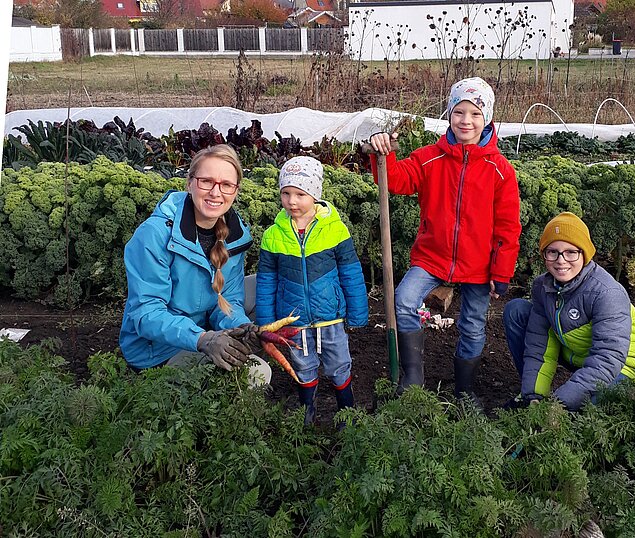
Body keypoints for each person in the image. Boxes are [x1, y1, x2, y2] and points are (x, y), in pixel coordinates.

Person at [369, 77, 521, 403]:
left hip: (479, 265)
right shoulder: (429, 158)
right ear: (449, 114)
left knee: (473, 325)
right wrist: (383, 153)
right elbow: (395, 181)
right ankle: (413, 377)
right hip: (432, 257)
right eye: (459, 112)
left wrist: (502, 273)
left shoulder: (500, 170)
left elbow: (508, 227)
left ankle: (465, 390)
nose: (466, 120)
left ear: (488, 119)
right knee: (404, 302)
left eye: (475, 114)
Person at [120, 144, 257, 372]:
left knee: (267, 285)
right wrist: (203, 339)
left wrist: (242, 327)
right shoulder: (154, 235)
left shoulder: (234, 234)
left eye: (226, 185)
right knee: (256, 373)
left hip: (202, 329)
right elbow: (147, 313)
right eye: (206, 181)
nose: (215, 192)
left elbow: (229, 300)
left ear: (236, 190)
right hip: (158, 350)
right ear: (190, 182)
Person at [256, 156, 369, 426]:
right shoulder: (273, 235)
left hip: (330, 316)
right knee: (303, 365)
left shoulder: (335, 230)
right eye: (286, 193)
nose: (292, 201)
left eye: (300, 194)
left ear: (315, 195)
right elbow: (266, 282)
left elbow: (351, 273)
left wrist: (357, 313)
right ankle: (307, 414)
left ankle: (347, 413)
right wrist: (266, 323)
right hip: (294, 320)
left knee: (339, 363)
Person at [503, 212, 635, 411]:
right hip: (576, 354)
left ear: (584, 253)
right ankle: (532, 394)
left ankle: (615, 394)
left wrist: (559, 403)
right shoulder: (542, 287)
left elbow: (607, 358)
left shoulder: (606, 293)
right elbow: (539, 343)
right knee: (516, 309)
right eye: (552, 252)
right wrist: (533, 396)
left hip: (618, 365)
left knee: (582, 415)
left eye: (571, 252)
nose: (561, 260)